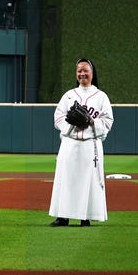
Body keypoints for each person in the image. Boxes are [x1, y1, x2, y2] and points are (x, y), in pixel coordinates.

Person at [49, 58, 114, 227]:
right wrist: (72, 123)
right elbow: (57, 118)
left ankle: (85, 217)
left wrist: (91, 121)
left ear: (92, 73)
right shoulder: (69, 95)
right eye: (79, 71)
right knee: (66, 180)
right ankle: (62, 217)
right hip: (70, 143)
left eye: (85, 70)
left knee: (89, 181)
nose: (82, 74)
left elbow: (108, 121)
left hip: (90, 145)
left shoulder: (101, 97)